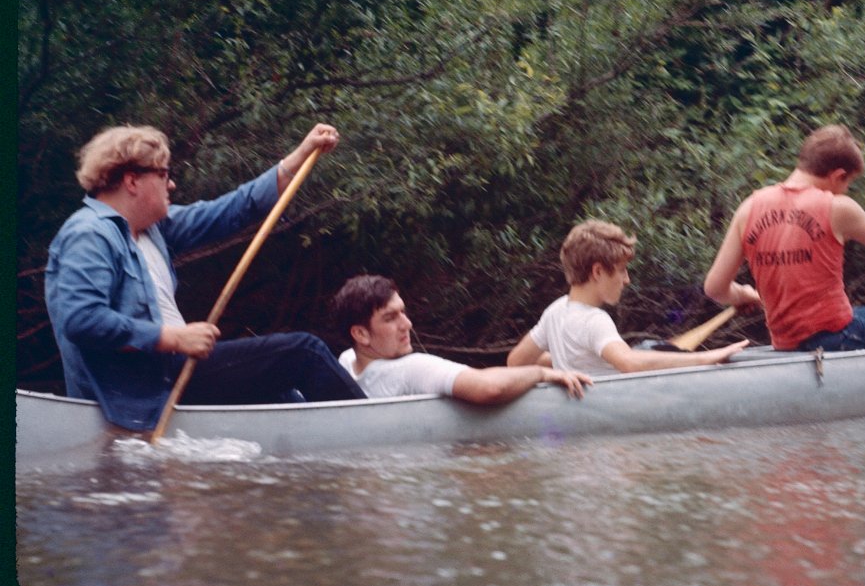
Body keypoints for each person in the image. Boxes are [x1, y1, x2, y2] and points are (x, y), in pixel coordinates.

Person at [45, 123, 365, 431]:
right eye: (163, 174)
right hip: (146, 390)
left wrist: (302, 153)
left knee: (278, 392)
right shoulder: (89, 234)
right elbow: (82, 320)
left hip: (172, 375)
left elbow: (235, 209)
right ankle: (374, 429)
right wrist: (174, 338)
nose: (170, 184)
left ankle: (326, 446)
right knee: (303, 353)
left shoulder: (155, 229)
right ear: (132, 181)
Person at [703, 123, 865, 351]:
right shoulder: (836, 207)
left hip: (788, 340)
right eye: (848, 182)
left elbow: (715, 288)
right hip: (838, 337)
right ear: (838, 175)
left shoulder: (750, 207)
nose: (846, 189)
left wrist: (743, 294)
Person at [507, 219, 748, 376]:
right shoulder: (595, 321)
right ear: (598, 272)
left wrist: (566, 361)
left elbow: (516, 361)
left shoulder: (555, 311)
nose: (627, 280)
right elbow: (629, 363)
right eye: (622, 270)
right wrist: (707, 358)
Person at [330, 274, 592, 403]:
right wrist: (541, 373)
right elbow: (489, 388)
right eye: (390, 318)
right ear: (360, 333)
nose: (406, 324)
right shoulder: (411, 368)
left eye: (403, 313)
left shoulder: (346, 362)